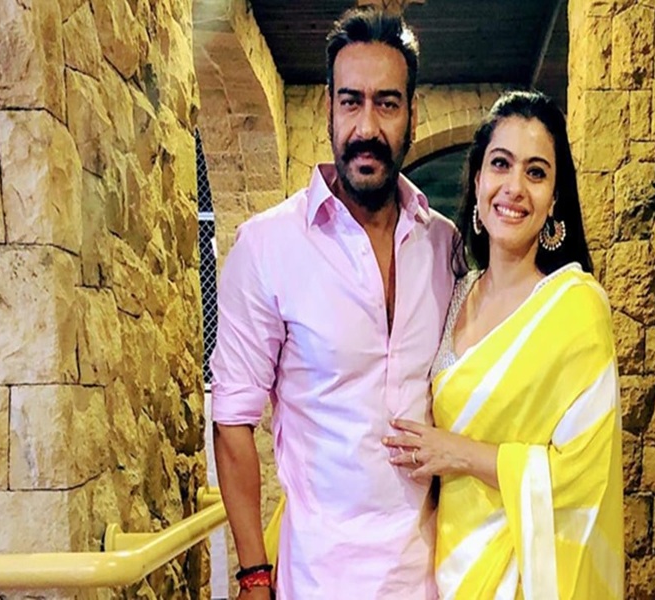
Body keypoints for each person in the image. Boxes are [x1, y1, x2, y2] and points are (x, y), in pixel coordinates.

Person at [209, 8, 457, 599]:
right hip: (319, 579)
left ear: (412, 113)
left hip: (437, 577)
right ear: (329, 108)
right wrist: (253, 575)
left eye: (387, 103)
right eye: (351, 102)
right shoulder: (267, 246)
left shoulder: (444, 245)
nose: (367, 126)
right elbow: (232, 419)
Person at [384, 90, 624, 599]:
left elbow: (583, 477)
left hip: (525, 579)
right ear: (477, 180)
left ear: (554, 198)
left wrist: (459, 453)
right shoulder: (454, 292)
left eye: (536, 172)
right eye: (500, 164)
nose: (514, 187)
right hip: (442, 569)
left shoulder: (576, 309)